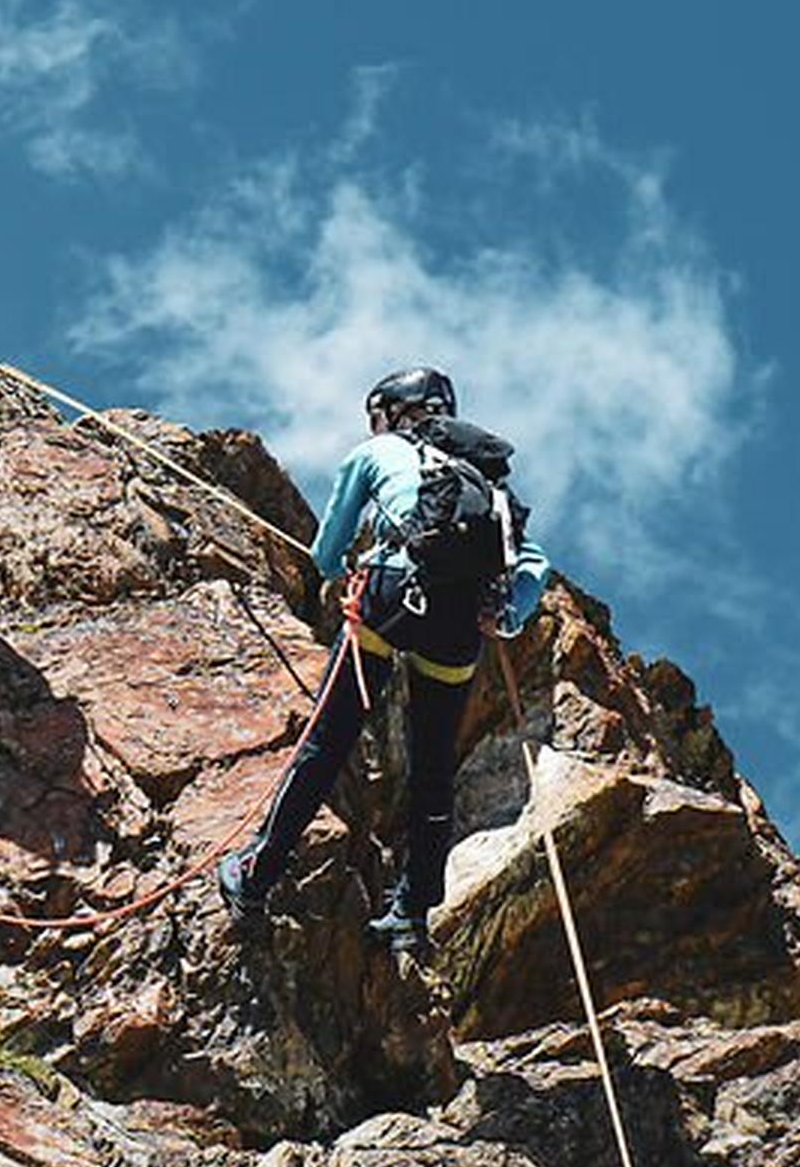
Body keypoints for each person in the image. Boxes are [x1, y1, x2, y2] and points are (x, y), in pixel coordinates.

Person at [218, 365, 553, 951]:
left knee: (328, 741)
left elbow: (325, 555)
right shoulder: (487, 480)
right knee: (432, 771)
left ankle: (256, 874)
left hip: (390, 595)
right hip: (458, 623)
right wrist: (507, 615)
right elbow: (533, 563)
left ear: (396, 411)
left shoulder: (379, 453)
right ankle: (411, 916)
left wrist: (344, 562)